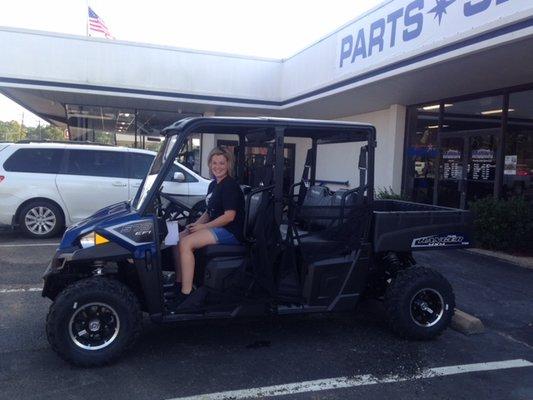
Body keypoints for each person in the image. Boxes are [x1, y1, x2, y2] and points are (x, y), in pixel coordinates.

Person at [171, 146, 245, 308]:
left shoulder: (229, 186)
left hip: (231, 231)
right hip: (218, 227)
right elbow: (209, 212)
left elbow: (229, 216)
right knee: (179, 239)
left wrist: (203, 228)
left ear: (228, 165)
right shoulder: (214, 185)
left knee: (186, 243)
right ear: (209, 164)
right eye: (214, 163)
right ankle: (179, 283)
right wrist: (196, 225)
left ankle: (187, 293)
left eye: (221, 163)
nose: (217, 166)